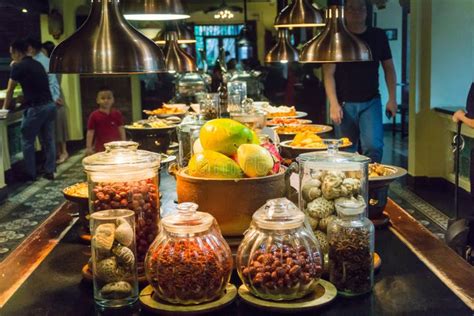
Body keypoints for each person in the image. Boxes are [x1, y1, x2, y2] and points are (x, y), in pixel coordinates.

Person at [322, 0, 397, 163]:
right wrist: (333, 104)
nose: (356, 12)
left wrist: (392, 98)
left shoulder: (378, 36)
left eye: (361, 8)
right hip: (343, 104)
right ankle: (350, 187)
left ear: (367, 11)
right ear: (344, 12)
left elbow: (389, 68)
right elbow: (328, 73)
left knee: (373, 146)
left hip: (371, 101)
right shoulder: (337, 37)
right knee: (345, 150)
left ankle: (374, 186)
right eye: (351, 8)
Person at [2, 39, 57, 181]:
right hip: (50, 106)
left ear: (16, 52)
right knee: (48, 140)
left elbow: (9, 91)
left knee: (27, 140)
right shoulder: (37, 64)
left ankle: (30, 174)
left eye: (11, 53)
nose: (11, 57)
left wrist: (4, 109)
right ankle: (49, 171)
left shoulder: (18, 67)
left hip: (36, 108)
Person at [41, 40, 70, 164]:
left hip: (56, 97)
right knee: (54, 128)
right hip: (51, 98)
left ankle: (63, 151)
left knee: (59, 126)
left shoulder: (54, 65)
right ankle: (58, 152)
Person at [86, 87, 126, 156]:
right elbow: (90, 132)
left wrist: (124, 143)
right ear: (97, 100)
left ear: (113, 100)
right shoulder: (94, 115)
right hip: (100, 148)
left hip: (116, 147)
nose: (106, 100)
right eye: (103, 98)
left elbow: (121, 129)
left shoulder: (117, 114)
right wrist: (88, 147)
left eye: (109, 98)